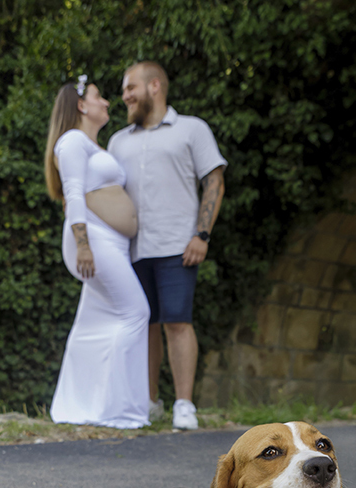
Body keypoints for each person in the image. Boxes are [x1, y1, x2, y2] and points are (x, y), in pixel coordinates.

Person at [108, 61, 226, 431]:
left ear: (154, 85)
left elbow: (215, 181)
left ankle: (184, 405)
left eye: (130, 88)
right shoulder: (117, 141)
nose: (125, 95)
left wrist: (202, 234)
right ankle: (149, 403)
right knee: (144, 324)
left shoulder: (192, 128)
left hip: (178, 244)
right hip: (130, 249)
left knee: (177, 322)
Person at [44, 74, 151, 429]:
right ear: (80, 105)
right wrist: (84, 245)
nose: (106, 102)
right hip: (94, 242)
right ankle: (121, 410)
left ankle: (82, 406)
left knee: (93, 324)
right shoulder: (72, 140)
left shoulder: (92, 145)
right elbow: (72, 193)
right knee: (137, 312)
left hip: (111, 244)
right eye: (98, 96)